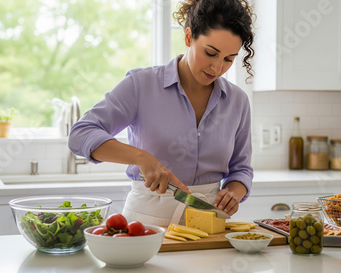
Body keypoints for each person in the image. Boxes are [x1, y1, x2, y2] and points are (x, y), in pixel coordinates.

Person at [68, 0, 255, 226]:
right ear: (188, 37)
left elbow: (241, 169)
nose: (217, 68)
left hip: (209, 224)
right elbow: (80, 134)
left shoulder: (238, 101)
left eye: (228, 59)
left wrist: (233, 193)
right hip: (144, 225)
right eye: (210, 53)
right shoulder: (141, 85)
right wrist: (141, 158)